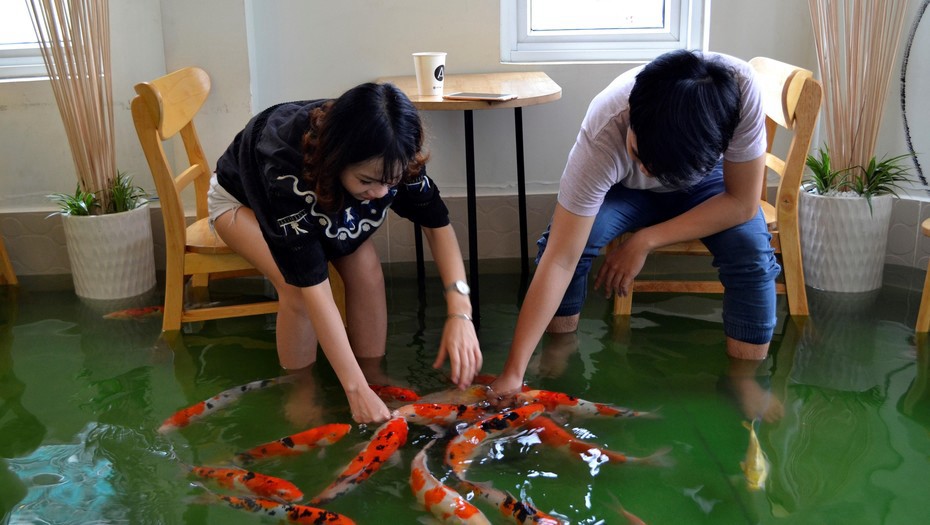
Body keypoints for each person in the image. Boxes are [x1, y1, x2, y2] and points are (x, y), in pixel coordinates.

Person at [490, 50, 783, 422]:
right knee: (578, 237)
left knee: (751, 250)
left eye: (655, 167)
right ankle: (560, 345)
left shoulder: (741, 95)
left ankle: (744, 380)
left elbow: (741, 203)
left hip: (706, 186)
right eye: (637, 152)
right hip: (625, 191)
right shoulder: (606, 128)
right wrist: (513, 372)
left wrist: (645, 240)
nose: (646, 168)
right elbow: (561, 257)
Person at [209, 82, 481, 424]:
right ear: (337, 160)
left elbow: (437, 226)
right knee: (294, 291)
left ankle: (373, 376)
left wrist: (460, 312)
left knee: (367, 267)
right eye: (368, 180)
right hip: (241, 202)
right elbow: (312, 285)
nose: (381, 192)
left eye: (391, 183)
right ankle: (300, 388)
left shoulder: (393, 156)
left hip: (327, 205)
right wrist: (351, 389)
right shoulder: (284, 168)